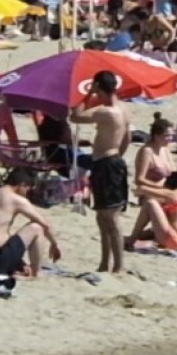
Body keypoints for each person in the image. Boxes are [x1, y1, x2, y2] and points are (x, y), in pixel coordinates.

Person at [70, 70, 130, 274]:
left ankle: (119, 266)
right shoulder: (123, 108)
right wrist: (118, 155)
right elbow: (127, 137)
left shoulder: (107, 111)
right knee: (102, 216)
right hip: (111, 161)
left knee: (110, 217)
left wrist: (87, 95)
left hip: (107, 163)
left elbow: (75, 116)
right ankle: (105, 263)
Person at [0, 168, 62, 278]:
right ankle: (36, 273)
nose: (27, 193)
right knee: (37, 227)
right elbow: (45, 224)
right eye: (28, 189)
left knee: (5, 235)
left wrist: (19, 264)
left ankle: (20, 267)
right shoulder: (15, 199)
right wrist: (54, 244)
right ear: (22, 185)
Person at [125, 115, 177, 247]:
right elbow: (139, 179)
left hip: (165, 190)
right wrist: (158, 187)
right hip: (149, 190)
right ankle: (136, 236)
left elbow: (173, 171)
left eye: (171, 135)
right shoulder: (146, 151)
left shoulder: (165, 150)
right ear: (156, 135)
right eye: (167, 135)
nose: (170, 139)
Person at [134, 171, 177, 250]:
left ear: (166, 184)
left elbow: (142, 189)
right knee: (149, 231)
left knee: (150, 203)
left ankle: (132, 238)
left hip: (174, 241)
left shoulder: (171, 194)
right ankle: (138, 235)